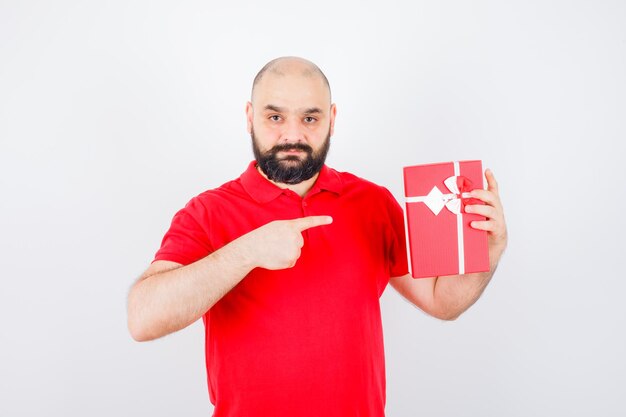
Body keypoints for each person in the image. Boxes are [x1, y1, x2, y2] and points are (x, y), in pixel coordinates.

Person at [127, 56, 508, 417]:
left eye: (310, 118)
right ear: (249, 117)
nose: (292, 135)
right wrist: (245, 252)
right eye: (275, 116)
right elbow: (143, 319)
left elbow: (442, 301)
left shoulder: (372, 202)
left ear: (332, 119)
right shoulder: (207, 212)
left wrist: (488, 253)